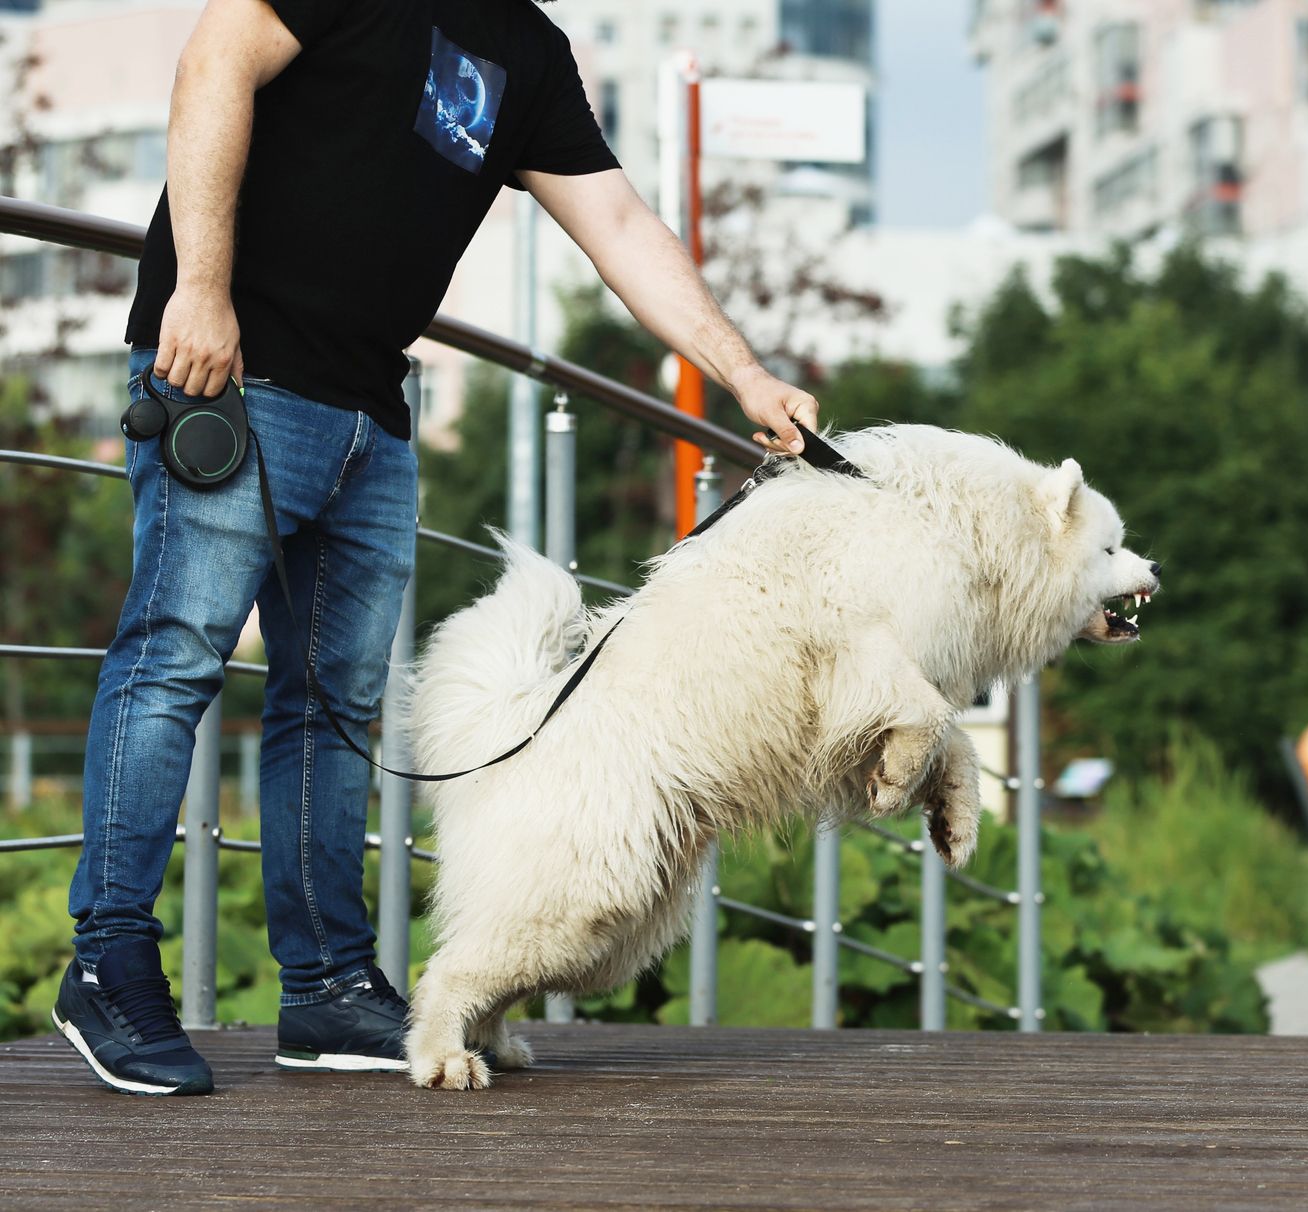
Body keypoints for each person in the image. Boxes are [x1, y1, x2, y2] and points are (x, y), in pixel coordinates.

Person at [54, 0, 818, 1097]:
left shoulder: (530, 49)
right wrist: (201, 289)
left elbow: (620, 225)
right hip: (232, 370)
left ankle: (325, 987)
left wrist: (747, 375)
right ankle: (108, 965)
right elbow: (214, 62)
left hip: (370, 408)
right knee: (173, 661)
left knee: (333, 705)